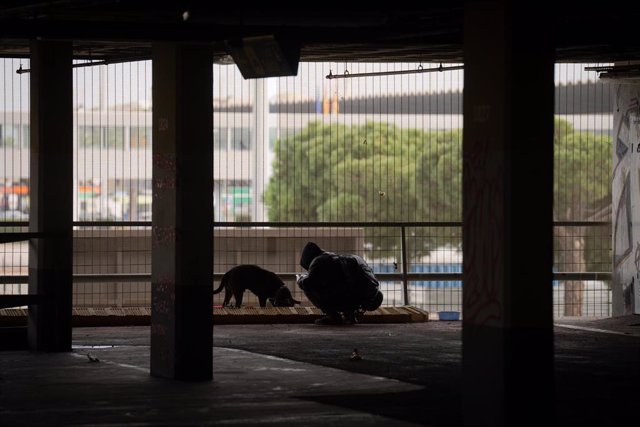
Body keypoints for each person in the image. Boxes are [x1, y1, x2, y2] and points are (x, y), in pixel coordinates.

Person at [296, 241, 384, 325]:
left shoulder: (318, 261)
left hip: (342, 299)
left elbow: (307, 283)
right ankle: (350, 315)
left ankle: (333, 316)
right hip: (354, 300)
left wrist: (300, 279)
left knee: (309, 287)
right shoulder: (372, 283)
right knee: (346, 285)